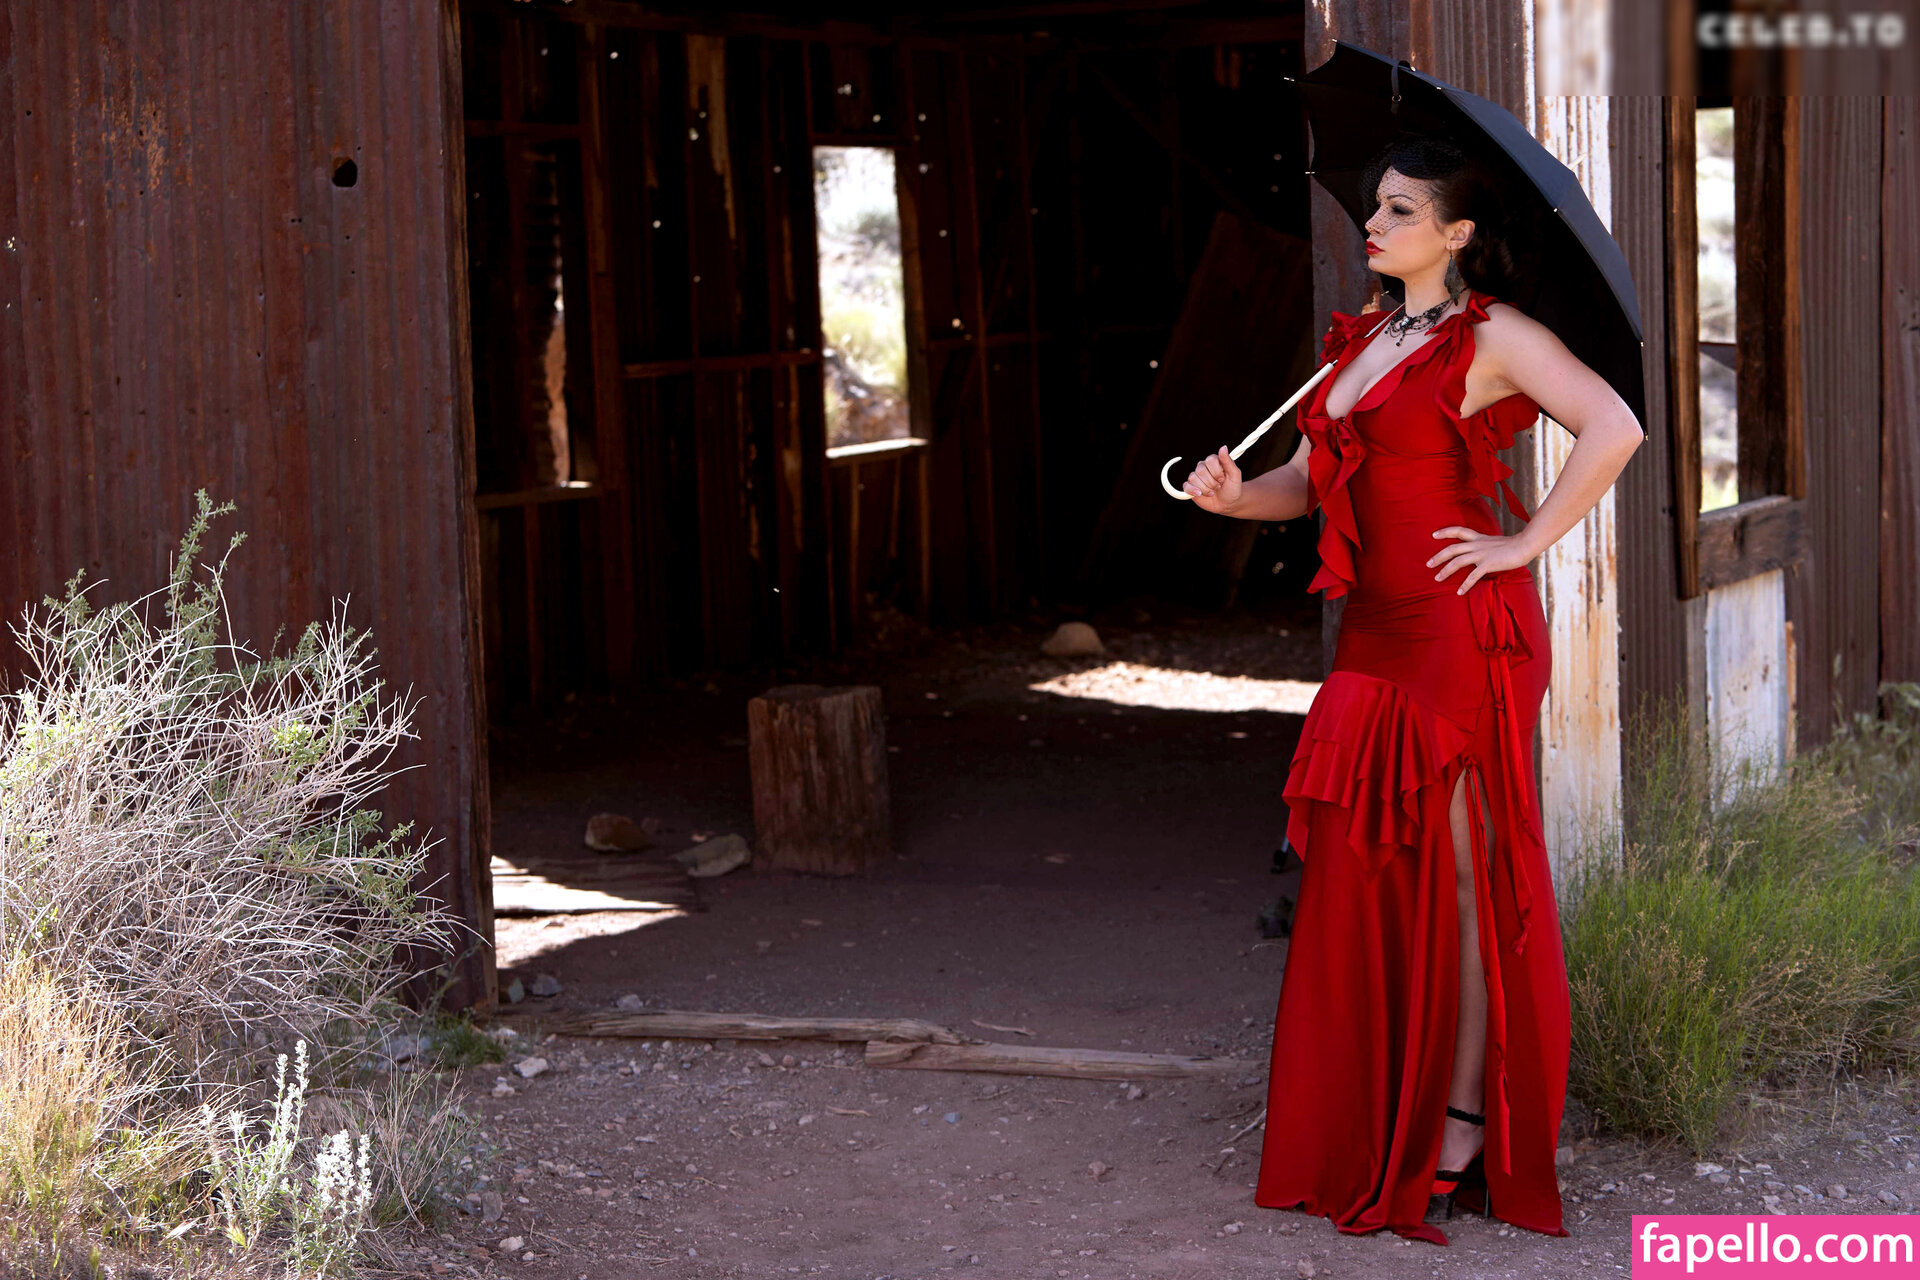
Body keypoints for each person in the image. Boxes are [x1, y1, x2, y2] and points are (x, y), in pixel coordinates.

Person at [1179, 136, 1644, 1246]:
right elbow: (1310, 483)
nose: (1375, 225)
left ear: (1458, 232)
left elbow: (1615, 426)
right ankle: (1384, 1102)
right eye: (1375, 207)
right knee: (1369, 863)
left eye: (1399, 210)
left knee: (1467, 877)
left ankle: (1466, 1118)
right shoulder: (1362, 340)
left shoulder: (1496, 334)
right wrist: (1234, 497)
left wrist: (1522, 541)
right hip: (1375, 634)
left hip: (1458, 633)